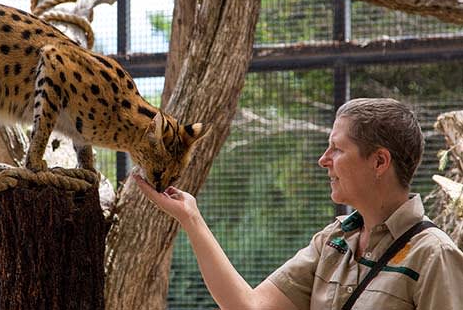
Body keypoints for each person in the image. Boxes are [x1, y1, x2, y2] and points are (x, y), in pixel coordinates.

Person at [134, 98, 463, 310]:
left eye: (337, 149)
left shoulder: (434, 256)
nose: (324, 160)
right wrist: (191, 219)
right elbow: (250, 307)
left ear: (379, 162)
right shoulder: (333, 242)